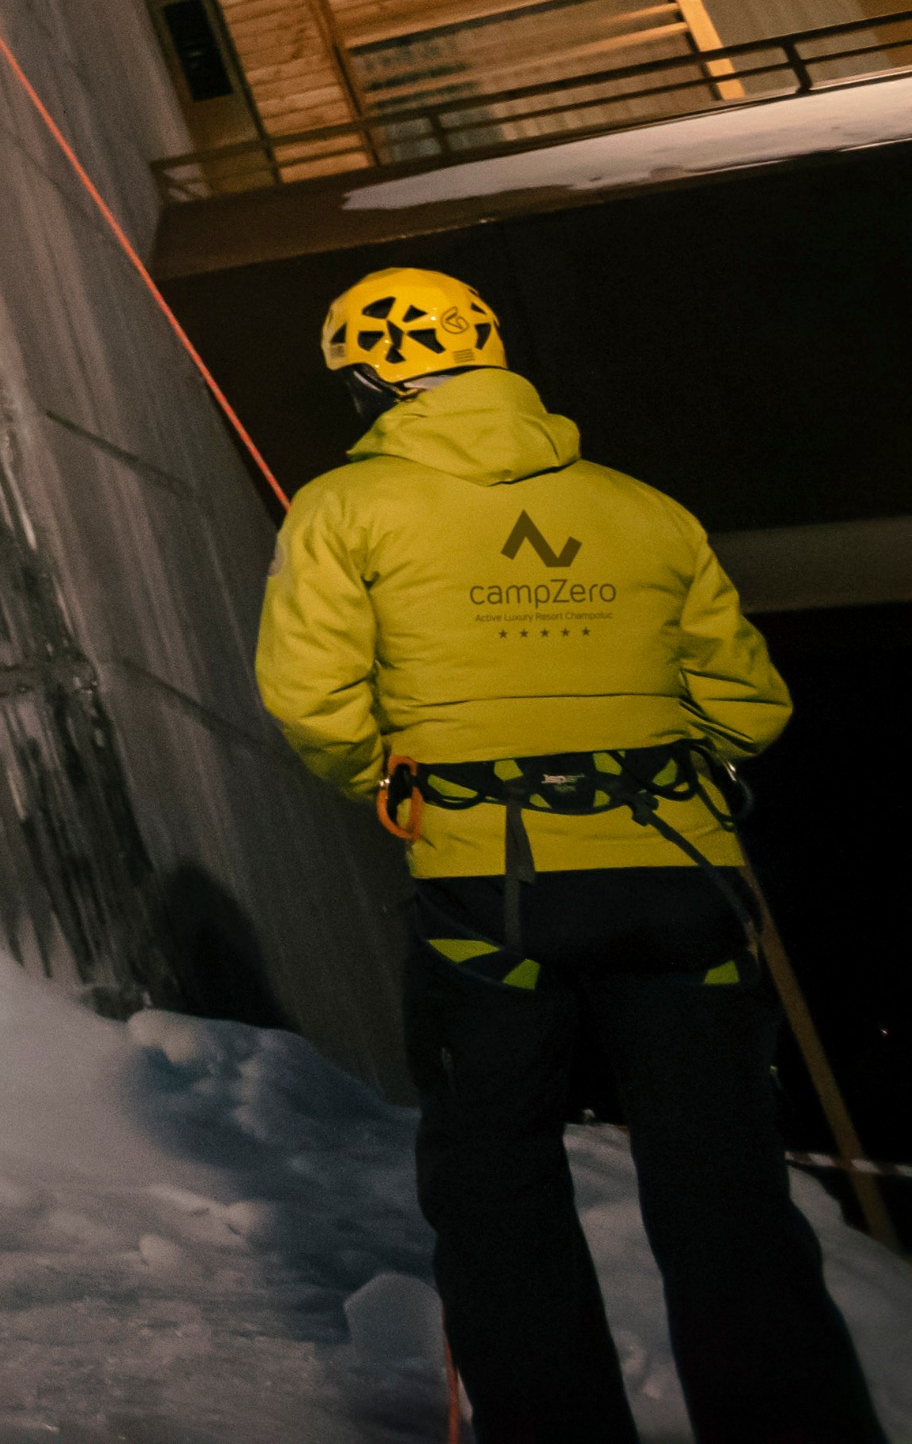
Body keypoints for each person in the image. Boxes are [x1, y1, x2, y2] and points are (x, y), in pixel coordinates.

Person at [253, 268, 883, 1444]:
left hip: (494, 887)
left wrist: (386, 779)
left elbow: (311, 700)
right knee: (729, 1197)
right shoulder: (645, 509)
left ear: (368, 377)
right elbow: (750, 704)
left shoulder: (344, 508)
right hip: (679, 879)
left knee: (499, 1188)